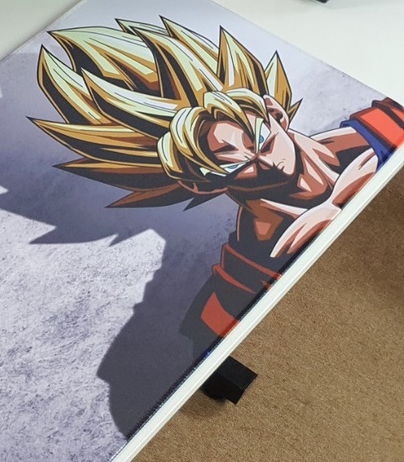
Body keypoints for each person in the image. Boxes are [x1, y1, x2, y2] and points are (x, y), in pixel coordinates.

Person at [33, 18, 404, 351]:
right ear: (200, 185)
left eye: (261, 140)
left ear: (275, 112)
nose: (266, 163)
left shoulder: (385, 125)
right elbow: (209, 340)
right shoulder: (248, 270)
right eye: (235, 164)